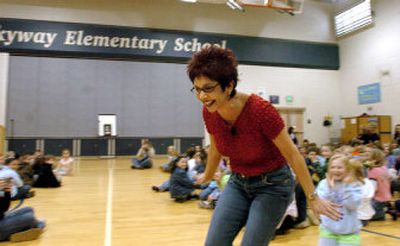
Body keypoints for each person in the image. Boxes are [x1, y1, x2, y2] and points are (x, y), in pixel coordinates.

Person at [187, 46, 341, 246]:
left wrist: (313, 197)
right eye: (197, 89)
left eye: (208, 88)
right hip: (238, 183)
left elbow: (293, 155)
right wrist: (208, 174)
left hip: (273, 186)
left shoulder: (260, 111)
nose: (202, 96)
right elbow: (216, 146)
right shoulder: (210, 111)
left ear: (229, 85)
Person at [316, 154, 363, 246]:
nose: (336, 170)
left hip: (349, 232)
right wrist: (330, 189)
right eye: (333, 167)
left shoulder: (354, 184)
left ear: (347, 170)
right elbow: (322, 205)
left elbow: (353, 205)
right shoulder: (323, 184)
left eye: (340, 167)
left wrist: (346, 187)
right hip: (328, 229)